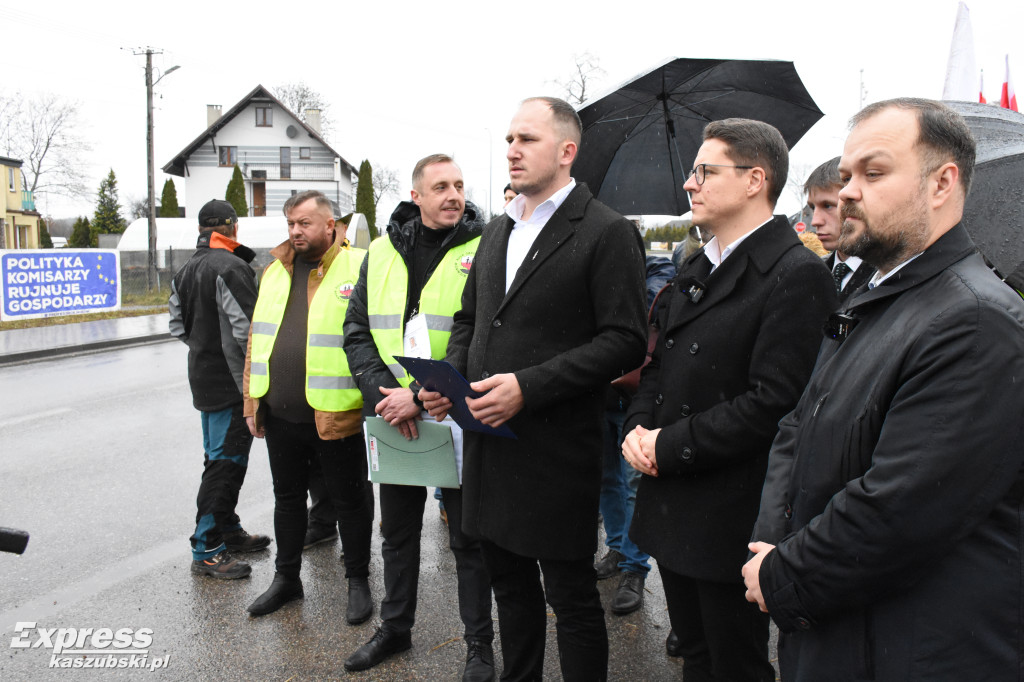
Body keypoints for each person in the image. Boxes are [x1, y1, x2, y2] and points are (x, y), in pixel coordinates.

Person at [743, 98, 1024, 680]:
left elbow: (900, 509)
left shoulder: (974, 321)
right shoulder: (874, 300)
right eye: (846, 176)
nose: (846, 192)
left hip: (908, 649)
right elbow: (799, 426)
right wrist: (770, 545)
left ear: (942, 182)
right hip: (839, 628)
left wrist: (783, 576)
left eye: (873, 173)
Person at [421, 96, 648, 681]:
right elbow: (471, 319)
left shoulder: (606, 231)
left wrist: (529, 386)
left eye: (527, 139)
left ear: (567, 151)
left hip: (555, 450)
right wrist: (451, 378)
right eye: (509, 139)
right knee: (510, 590)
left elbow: (624, 340)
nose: (512, 151)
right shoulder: (497, 230)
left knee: (570, 599)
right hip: (490, 446)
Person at [622, 118, 837, 681]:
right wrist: (638, 428)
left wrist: (667, 446)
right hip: (673, 499)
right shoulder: (697, 264)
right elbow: (659, 365)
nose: (690, 184)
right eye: (693, 172)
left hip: (730, 510)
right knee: (694, 652)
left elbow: (774, 403)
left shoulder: (796, 275)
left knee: (735, 662)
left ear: (753, 180)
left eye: (705, 171)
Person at [341, 154, 495, 680]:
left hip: (453, 411)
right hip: (393, 414)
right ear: (416, 197)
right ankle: (395, 628)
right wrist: (382, 393)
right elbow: (357, 328)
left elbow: (477, 331)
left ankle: (479, 644)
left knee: (467, 537)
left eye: (459, 184)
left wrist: (423, 392)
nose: (454, 195)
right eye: (441, 187)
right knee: (398, 532)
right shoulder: (380, 252)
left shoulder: (486, 246)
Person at [242, 190, 374, 621]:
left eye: (304, 223)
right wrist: (251, 399)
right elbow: (255, 341)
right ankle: (286, 580)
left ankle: (357, 580)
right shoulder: (274, 272)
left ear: (330, 224)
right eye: (291, 224)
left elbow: (375, 339)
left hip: (338, 414)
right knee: (287, 500)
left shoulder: (358, 267)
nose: (296, 231)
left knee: (350, 501)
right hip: (281, 416)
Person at [169, 199, 271, 579]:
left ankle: (226, 529)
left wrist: (206, 351)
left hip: (204, 381)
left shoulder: (185, 270)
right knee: (225, 465)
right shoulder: (232, 267)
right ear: (232, 228)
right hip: (233, 384)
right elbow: (250, 334)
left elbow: (178, 327)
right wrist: (257, 384)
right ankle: (207, 548)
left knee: (219, 459)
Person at [594, 254, 675, 615]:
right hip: (598, 394)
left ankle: (634, 567)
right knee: (606, 479)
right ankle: (616, 547)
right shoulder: (592, 269)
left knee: (632, 483)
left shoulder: (656, 272)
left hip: (633, 396)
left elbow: (636, 317)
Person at [805, 156, 876, 304]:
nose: (815, 221)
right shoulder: (810, 274)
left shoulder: (884, 276)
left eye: (828, 205)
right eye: (813, 208)